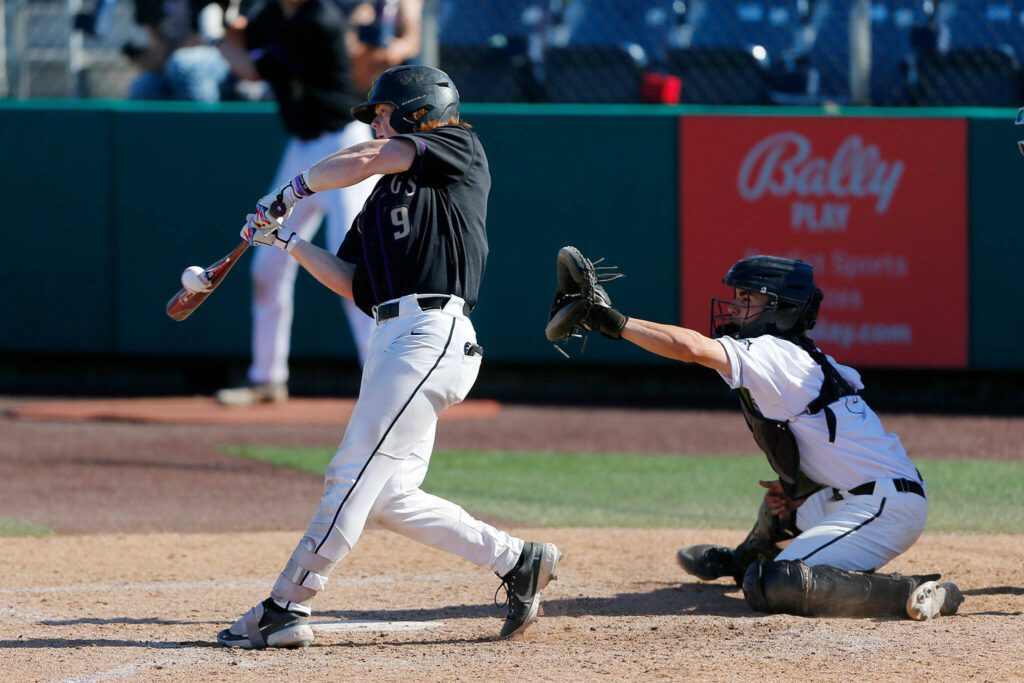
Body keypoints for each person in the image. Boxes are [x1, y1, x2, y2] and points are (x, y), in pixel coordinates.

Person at [216, 65, 564, 649]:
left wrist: (288, 194)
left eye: (381, 112)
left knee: (349, 473)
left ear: (417, 110)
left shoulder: (458, 145)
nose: (373, 123)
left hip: (432, 333)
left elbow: (362, 159)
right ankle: (518, 560)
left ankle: (286, 606)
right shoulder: (382, 199)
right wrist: (287, 241)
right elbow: (353, 280)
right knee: (390, 495)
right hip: (393, 339)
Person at [547, 251, 962, 621]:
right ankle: (741, 559)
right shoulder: (795, 355)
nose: (737, 305)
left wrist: (610, 320)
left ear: (779, 309)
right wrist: (802, 487)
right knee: (779, 508)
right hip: (856, 496)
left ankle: (914, 592)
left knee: (776, 583)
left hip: (885, 508)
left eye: (749, 298)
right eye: (739, 296)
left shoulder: (776, 354)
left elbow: (691, 348)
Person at [215, 0, 378, 405]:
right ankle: (266, 377)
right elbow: (241, 47)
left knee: (354, 270)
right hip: (302, 147)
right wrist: (230, 31)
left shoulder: (318, 20)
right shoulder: (272, 16)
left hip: (341, 144)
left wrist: (227, 36)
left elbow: (248, 67)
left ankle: (383, 382)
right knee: (267, 264)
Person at [125, 0, 232, 102]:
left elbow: (210, 37)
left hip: (219, 55)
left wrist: (170, 55)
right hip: (169, 59)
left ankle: (203, 121)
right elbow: (155, 39)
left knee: (184, 65)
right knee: (144, 85)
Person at [346, 0, 423, 93]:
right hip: (356, 71)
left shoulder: (405, 5)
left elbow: (412, 42)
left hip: (392, 79)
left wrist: (391, 52)